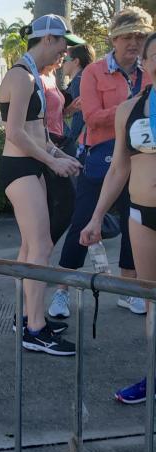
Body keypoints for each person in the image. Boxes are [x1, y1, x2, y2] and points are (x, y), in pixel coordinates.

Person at [51, 7, 153, 319]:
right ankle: (62, 291)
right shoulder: (94, 72)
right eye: (127, 36)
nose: (133, 42)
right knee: (83, 221)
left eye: (140, 36)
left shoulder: (147, 70)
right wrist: (129, 110)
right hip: (100, 156)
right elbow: (92, 117)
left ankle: (128, 290)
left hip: (141, 159)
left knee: (130, 224)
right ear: (114, 38)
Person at [0, 15, 85, 356]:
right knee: (41, 246)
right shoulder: (19, 76)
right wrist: (52, 160)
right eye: (64, 43)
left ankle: (26, 318)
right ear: (48, 38)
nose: (66, 51)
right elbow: (15, 133)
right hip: (19, 168)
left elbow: (38, 131)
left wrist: (57, 155)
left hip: (30, 164)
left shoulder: (32, 74)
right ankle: (35, 328)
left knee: (30, 248)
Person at [80, 32, 156, 405]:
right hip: (142, 216)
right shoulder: (130, 109)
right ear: (145, 63)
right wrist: (95, 219)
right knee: (150, 301)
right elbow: (118, 169)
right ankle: (154, 375)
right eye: (155, 56)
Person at [41, 58, 77, 246]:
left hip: (60, 142)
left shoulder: (51, 76)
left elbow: (56, 114)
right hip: (47, 145)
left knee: (62, 202)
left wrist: (70, 109)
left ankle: (41, 249)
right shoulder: (35, 78)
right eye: (60, 50)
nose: (63, 55)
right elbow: (33, 120)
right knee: (65, 202)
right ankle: (43, 247)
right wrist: (51, 152)